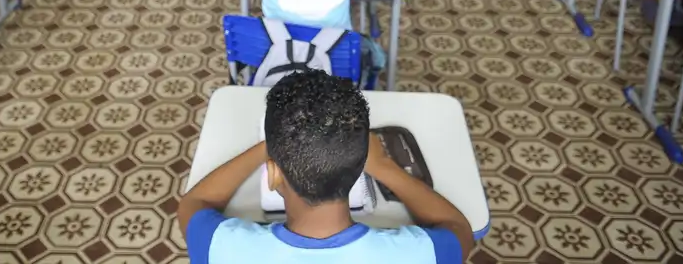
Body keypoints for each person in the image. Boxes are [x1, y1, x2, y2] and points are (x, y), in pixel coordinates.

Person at [179, 70, 473, 264]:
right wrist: (384, 167)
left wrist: (274, 144)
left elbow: (194, 203)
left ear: (274, 174)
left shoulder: (222, 248)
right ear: (359, 166)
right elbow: (458, 228)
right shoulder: (417, 256)